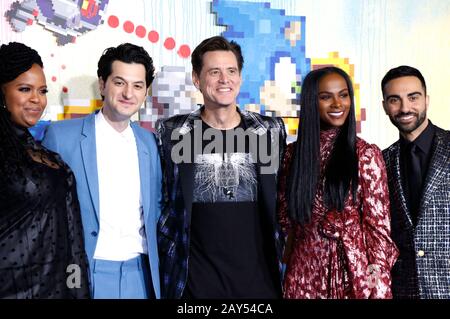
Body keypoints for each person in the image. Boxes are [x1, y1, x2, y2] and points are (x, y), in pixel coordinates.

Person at [156, 36, 287, 299]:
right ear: (197, 79)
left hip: (260, 284)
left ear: (239, 77)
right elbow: (164, 200)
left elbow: (283, 201)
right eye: (214, 72)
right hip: (195, 284)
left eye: (231, 71)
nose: (224, 79)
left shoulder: (269, 130)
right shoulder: (173, 132)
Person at [42, 43, 162, 299]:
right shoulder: (62, 136)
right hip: (84, 271)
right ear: (102, 84)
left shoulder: (150, 143)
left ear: (145, 91)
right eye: (119, 82)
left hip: (141, 275)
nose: (128, 93)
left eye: (138, 85)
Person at [278, 66, 398, 299]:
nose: (337, 104)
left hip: (351, 276)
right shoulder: (292, 156)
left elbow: (379, 232)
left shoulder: (365, 155)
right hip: (302, 276)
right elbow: (286, 220)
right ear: (312, 101)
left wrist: (377, 287)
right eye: (326, 97)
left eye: (343, 95)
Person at [0, 42, 90, 299]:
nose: (36, 99)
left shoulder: (40, 150)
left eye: (42, 90)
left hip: (57, 289)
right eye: (24, 89)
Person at [381, 65, 450, 299]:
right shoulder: (381, 161)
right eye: (394, 100)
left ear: (426, 100)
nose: (404, 108)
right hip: (404, 290)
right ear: (384, 107)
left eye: (413, 97)